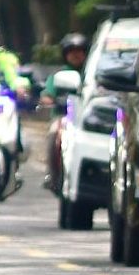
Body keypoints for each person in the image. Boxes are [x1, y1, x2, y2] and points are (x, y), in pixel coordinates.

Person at [41, 33, 89, 193]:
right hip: (63, 116)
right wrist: (48, 99)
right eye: (71, 51)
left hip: (85, 117)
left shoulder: (90, 75)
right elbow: (47, 94)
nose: (76, 55)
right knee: (54, 133)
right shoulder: (57, 76)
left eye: (79, 51)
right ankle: (52, 174)